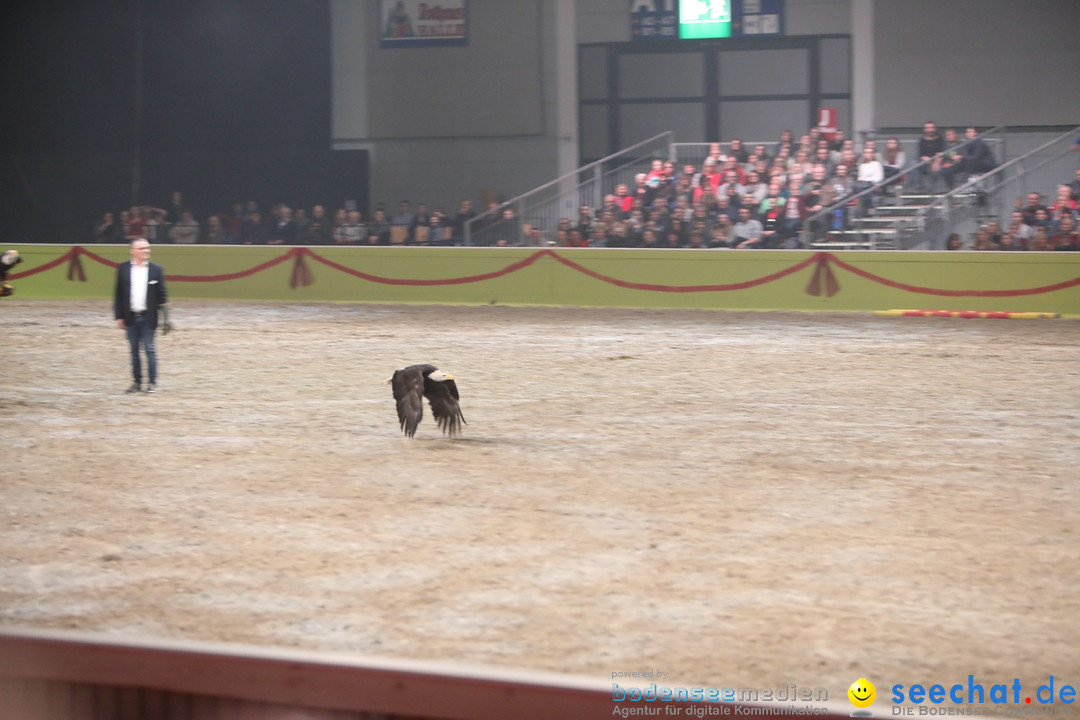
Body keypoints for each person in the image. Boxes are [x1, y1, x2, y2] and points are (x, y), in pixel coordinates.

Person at [114, 238, 169, 394]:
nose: (146, 251)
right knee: (134, 351)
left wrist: (166, 318)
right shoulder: (123, 268)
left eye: (147, 248)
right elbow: (118, 294)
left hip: (148, 317)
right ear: (133, 251)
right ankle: (137, 382)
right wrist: (119, 316)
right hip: (130, 316)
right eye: (142, 248)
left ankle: (152, 383)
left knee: (150, 350)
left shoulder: (156, 270)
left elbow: (162, 295)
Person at [911, 121, 944, 191]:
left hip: (938, 163)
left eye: (931, 128)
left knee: (935, 169)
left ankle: (932, 190)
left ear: (935, 129)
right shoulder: (922, 140)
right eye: (928, 128)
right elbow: (921, 155)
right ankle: (919, 187)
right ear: (925, 129)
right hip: (926, 163)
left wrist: (936, 163)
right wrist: (927, 160)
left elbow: (941, 153)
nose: (930, 130)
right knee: (913, 164)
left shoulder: (940, 139)